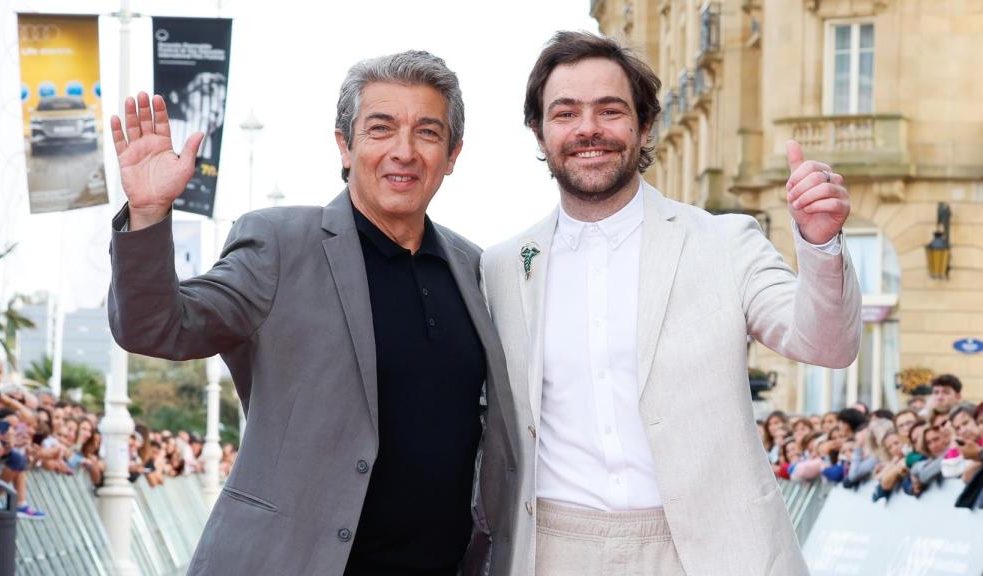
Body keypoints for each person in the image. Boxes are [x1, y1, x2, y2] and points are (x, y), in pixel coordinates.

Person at [107, 50, 516, 576]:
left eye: (428, 133)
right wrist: (147, 214)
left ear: (453, 154)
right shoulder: (280, 243)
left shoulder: (475, 267)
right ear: (345, 146)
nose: (404, 151)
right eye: (381, 129)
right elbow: (158, 327)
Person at [479, 31, 861, 575]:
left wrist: (820, 244)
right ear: (540, 133)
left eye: (609, 110)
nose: (588, 129)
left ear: (645, 124)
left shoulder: (725, 242)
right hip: (550, 551)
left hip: (711, 552)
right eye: (565, 113)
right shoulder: (500, 267)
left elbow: (828, 343)